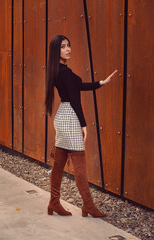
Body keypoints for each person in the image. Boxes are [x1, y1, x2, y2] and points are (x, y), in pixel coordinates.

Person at [45, 35, 117, 217]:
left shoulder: (59, 71)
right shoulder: (64, 73)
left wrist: (101, 83)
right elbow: (75, 100)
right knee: (80, 165)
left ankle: (54, 203)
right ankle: (88, 206)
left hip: (62, 116)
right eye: (63, 47)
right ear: (56, 50)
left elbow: (78, 87)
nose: (68, 49)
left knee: (59, 163)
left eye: (69, 45)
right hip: (70, 118)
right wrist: (83, 124)